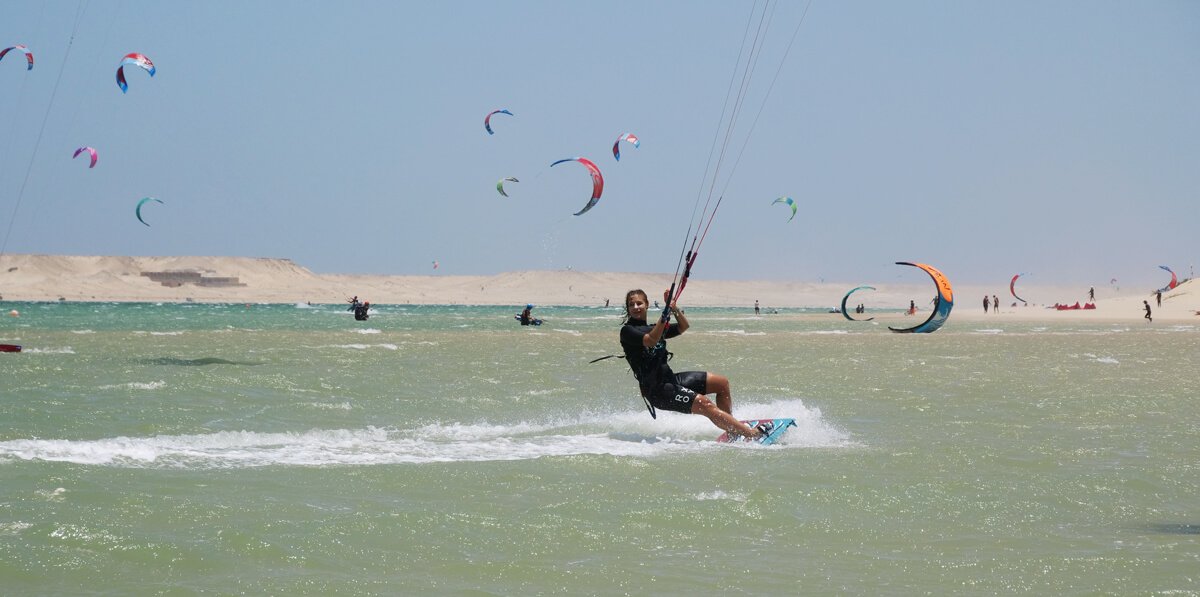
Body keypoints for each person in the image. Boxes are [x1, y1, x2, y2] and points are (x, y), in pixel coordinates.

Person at [619, 289, 766, 440]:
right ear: (628, 308)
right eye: (631, 305)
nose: (636, 307)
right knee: (704, 404)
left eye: (639, 303)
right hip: (658, 391)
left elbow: (683, 326)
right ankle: (751, 434)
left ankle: (732, 429)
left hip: (671, 381)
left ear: (647, 304)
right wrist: (664, 317)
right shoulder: (627, 331)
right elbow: (651, 340)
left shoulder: (654, 327)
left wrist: (673, 308)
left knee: (721, 384)